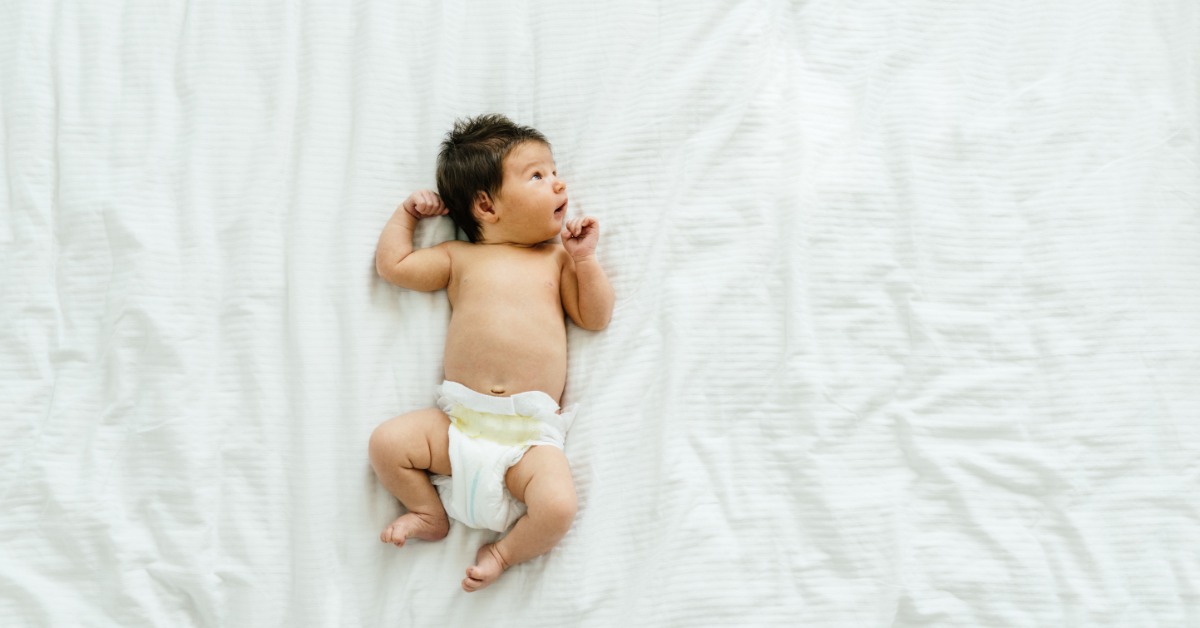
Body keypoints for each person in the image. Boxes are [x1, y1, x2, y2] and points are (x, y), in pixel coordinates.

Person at [369, 114, 614, 592]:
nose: (559, 182)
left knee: (559, 506)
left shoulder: (557, 258)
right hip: (460, 421)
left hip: (529, 434)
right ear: (485, 205)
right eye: (537, 175)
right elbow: (394, 266)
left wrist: (585, 262)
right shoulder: (459, 258)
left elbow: (594, 316)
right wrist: (407, 215)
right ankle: (427, 512)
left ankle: (503, 552)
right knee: (387, 444)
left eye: (554, 170)